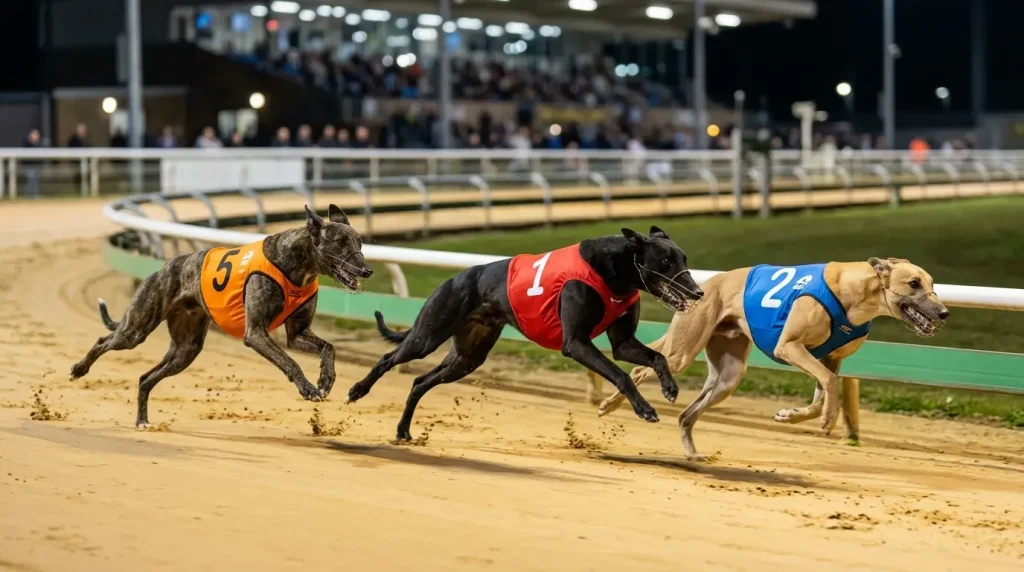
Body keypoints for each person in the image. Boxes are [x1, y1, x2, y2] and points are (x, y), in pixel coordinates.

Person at [22, 129, 44, 197]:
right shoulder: (27, 144)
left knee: (35, 181)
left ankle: (34, 195)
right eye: (34, 134)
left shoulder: (39, 144)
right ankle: (28, 195)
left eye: (37, 134)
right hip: (29, 166)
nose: (36, 136)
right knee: (30, 181)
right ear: (30, 135)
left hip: (36, 166)